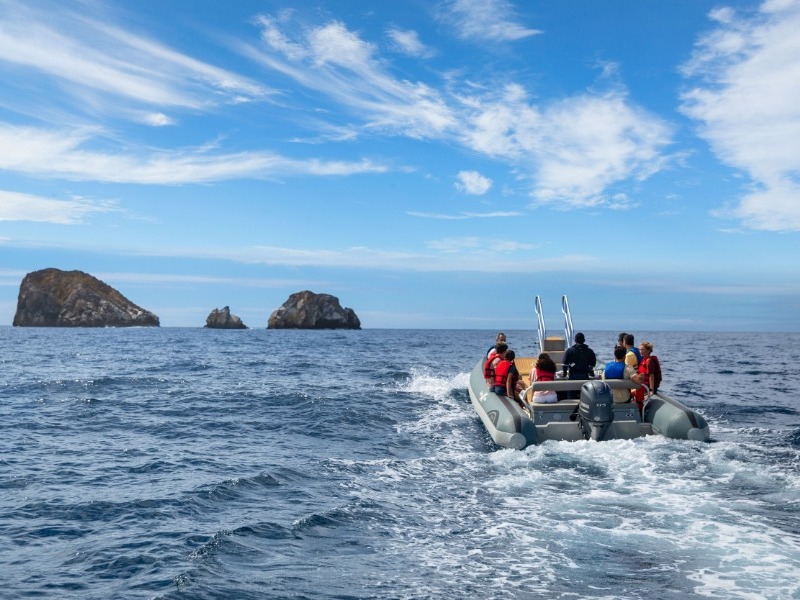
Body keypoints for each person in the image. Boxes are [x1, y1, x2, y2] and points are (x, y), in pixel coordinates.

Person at [562, 332, 597, 399]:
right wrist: (589, 369)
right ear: (584, 340)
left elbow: (565, 364)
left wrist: (565, 372)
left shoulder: (570, 351)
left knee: (571, 397)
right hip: (585, 377)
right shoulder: (590, 351)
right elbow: (593, 364)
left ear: (575, 341)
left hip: (573, 377)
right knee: (585, 397)